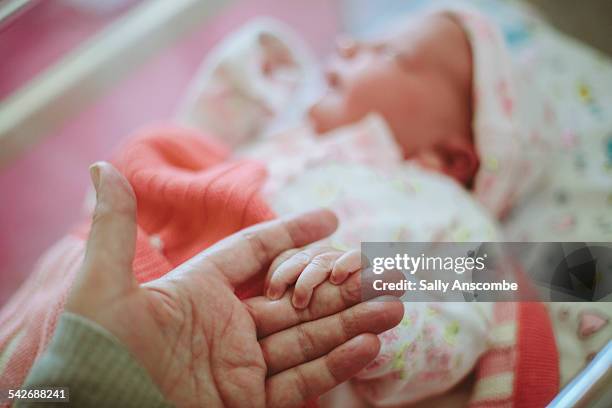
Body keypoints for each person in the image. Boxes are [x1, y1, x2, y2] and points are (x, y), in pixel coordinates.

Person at [13, 162, 404, 407]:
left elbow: (459, 285)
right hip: (109, 296)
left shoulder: (444, 201)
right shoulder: (296, 136)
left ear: (457, 153)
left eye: (394, 55)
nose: (352, 45)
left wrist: (351, 292)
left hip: (239, 342)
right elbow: (191, 135)